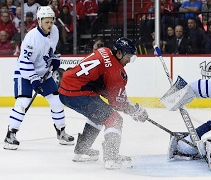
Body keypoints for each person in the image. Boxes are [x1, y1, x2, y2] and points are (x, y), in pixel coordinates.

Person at [58, 37, 149, 169]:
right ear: (119, 53)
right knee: (114, 119)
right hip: (78, 94)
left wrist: (131, 107)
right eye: (128, 56)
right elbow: (116, 103)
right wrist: (135, 112)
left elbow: (105, 88)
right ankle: (111, 158)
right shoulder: (116, 72)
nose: (129, 60)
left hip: (66, 89)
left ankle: (82, 150)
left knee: (99, 114)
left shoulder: (104, 50)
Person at [3, 6, 74, 150]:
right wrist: (34, 80)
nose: (50, 24)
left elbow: (53, 49)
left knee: (56, 100)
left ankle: (61, 132)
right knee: (23, 102)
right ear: (39, 21)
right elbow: (24, 63)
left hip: (43, 73)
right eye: (46, 22)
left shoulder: (54, 31)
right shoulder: (31, 38)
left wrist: (55, 58)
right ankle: (10, 134)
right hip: (24, 73)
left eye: (51, 21)